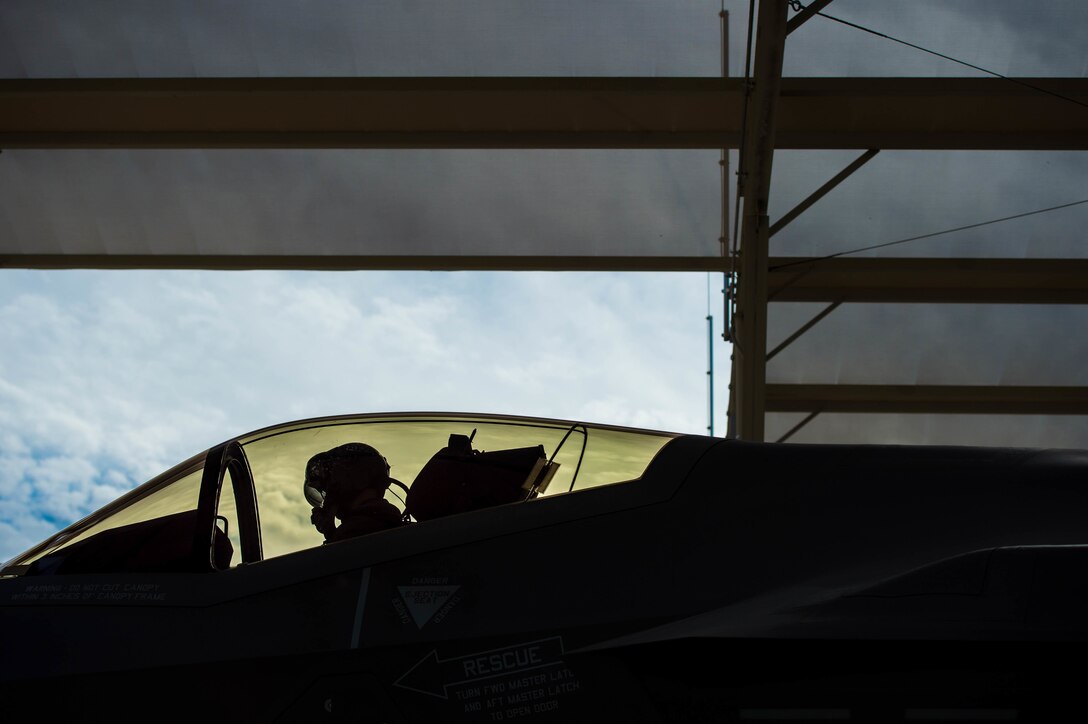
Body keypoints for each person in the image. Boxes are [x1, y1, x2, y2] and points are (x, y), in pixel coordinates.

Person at [303, 442, 407, 543]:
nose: (327, 498)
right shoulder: (394, 523)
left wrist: (332, 534)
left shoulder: (352, 531)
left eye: (328, 488)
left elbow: (340, 553)